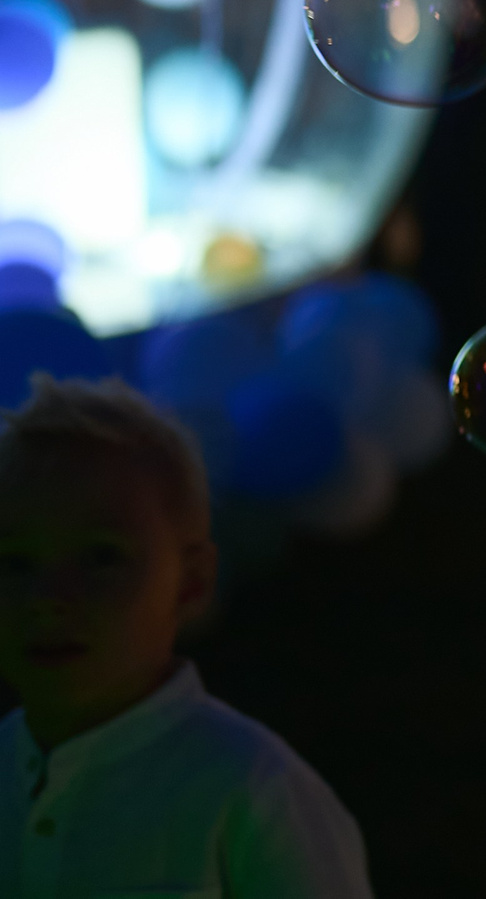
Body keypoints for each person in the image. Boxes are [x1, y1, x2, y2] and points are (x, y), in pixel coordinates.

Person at [0, 376, 372, 896]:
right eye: (15, 563)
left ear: (192, 582)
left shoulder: (253, 788)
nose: (47, 598)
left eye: (101, 557)